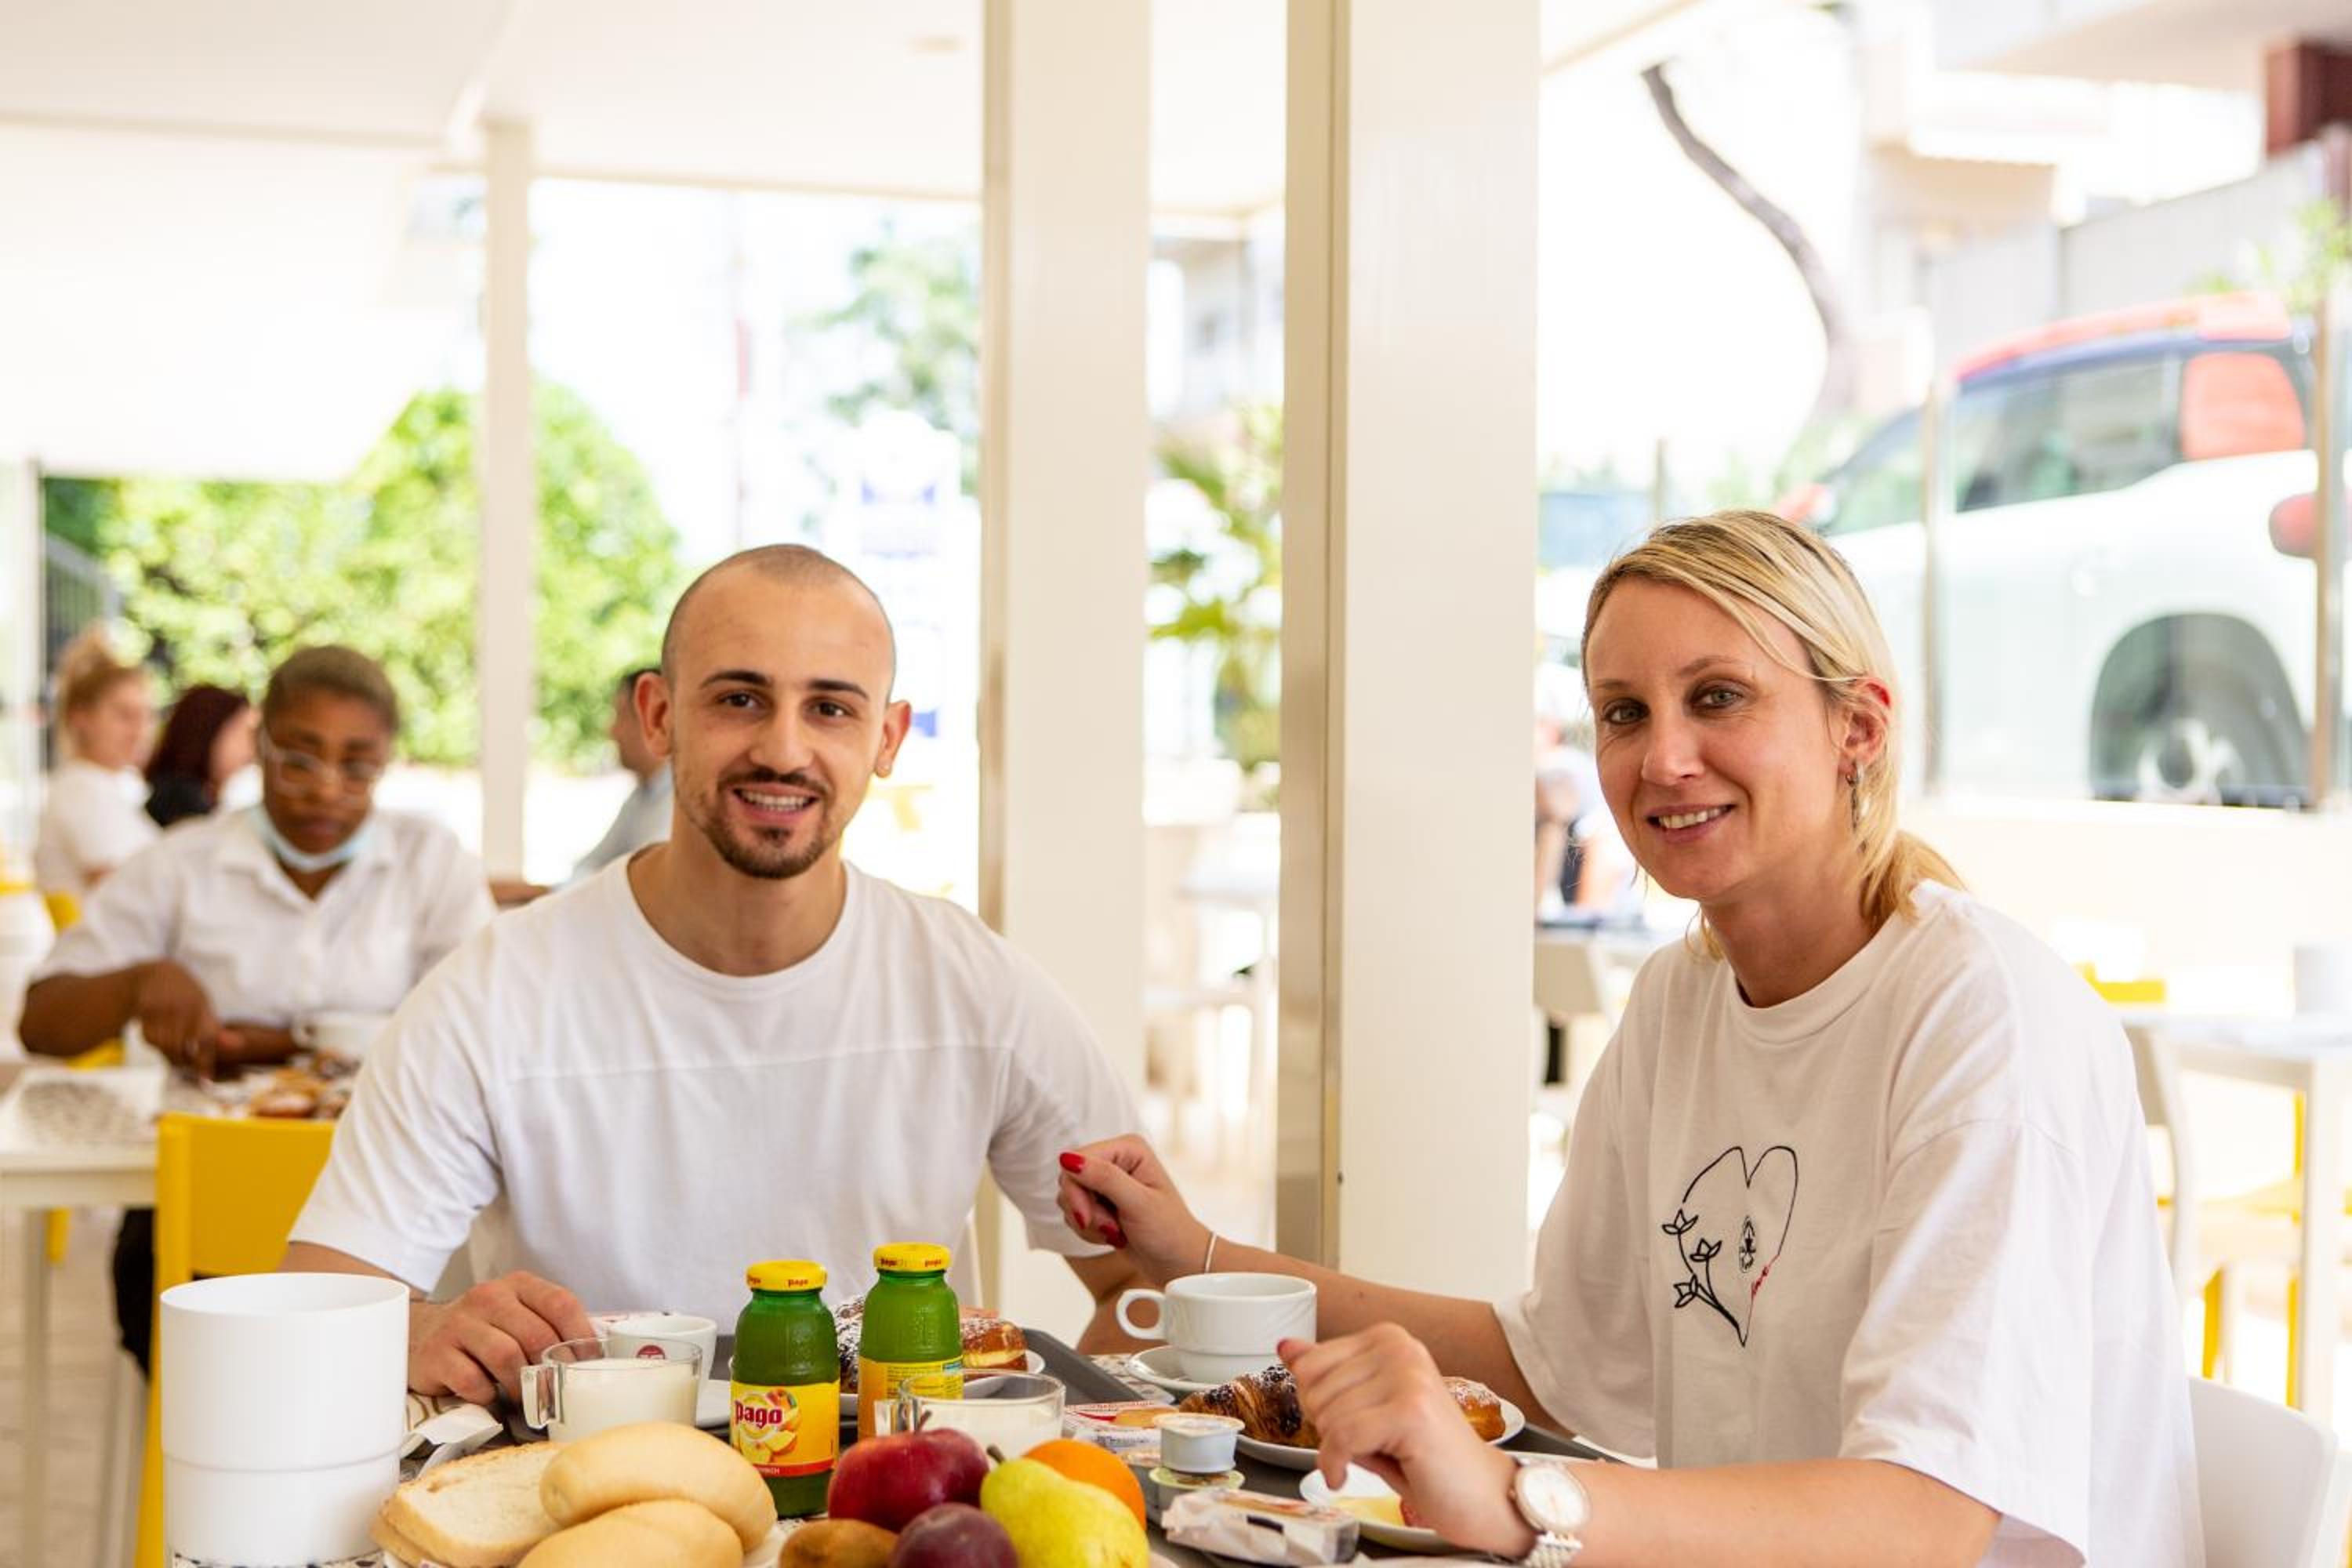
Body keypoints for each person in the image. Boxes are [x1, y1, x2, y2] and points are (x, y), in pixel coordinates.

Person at [1058, 510, 2200, 1566]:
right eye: (1624, 712)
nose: (1661, 761)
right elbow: (1552, 1365)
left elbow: (1922, 1520)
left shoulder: (1981, 1017)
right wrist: (1195, 1254)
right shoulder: (1682, 999)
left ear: (1858, 726)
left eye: (1717, 698)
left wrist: (1521, 1506)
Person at [281, 545, 1145, 1404]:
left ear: (886, 737)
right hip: (589, 1509)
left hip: (892, 1517)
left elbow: (1146, 1286)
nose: (783, 747)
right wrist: (422, 1327)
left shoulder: (977, 987)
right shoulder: (492, 994)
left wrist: (1053, 1453)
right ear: (659, 716)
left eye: (831, 709)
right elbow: (316, 1300)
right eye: (740, 698)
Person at [20, 644, 494, 1373]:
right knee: (203, 1344)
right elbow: (42, 1022)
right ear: (259, 748)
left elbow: (480, 1033)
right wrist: (138, 981)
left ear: (387, 763)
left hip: (399, 1227)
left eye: (358, 765)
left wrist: (282, 1039)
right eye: (299, 760)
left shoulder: (429, 862)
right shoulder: (183, 864)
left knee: (414, 1347)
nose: (326, 790)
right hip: (198, 1249)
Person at [34, 629, 158, 898]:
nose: (140, 730)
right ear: (81, 718)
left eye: (146, 715)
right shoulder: (81, 791)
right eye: (125, 715)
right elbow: (125, 896)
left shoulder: (112, 786)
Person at [571, 664, 673, 876]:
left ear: (656, 718)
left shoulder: (676, 805)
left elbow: (641, 881)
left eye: (620, 716)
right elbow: (591, 867)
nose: (613, 732)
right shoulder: (643, 797)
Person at [143, 684, 257, 828]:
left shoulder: (203, 795)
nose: (253, 748)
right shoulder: (178, 800)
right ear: (210, 731)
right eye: (245, 734)